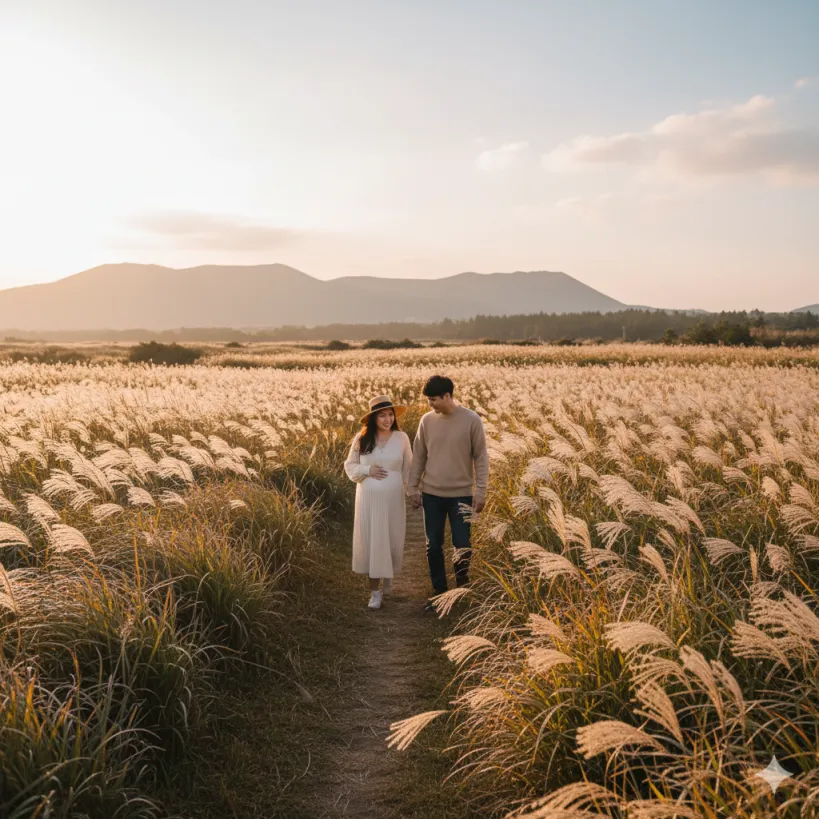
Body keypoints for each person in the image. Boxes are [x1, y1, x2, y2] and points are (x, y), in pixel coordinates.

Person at [407, 375, 488, 609]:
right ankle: (439, 593)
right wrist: (413, 488)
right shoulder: (426, 421)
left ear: (447, 396)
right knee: (433, 544)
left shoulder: (472, 420)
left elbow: (481, 458)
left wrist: (481, 490)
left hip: (462, 495)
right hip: (432, 494)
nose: (430, 404)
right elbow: (419, 456)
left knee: (462, 544)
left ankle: (461, 588)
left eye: (433, 400)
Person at [343, 395, 413, 610]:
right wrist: (367, 470)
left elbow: (409, 468)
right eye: (382, 415)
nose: (387, 419)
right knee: (372, 541)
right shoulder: (361, 439)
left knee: (390, 538)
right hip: (368, 501)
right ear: (373, 418)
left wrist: (414, 493)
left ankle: (388, 580)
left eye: (390, 414)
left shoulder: (401, 438)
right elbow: (349, 466)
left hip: (393, 500)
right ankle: (375, 592)